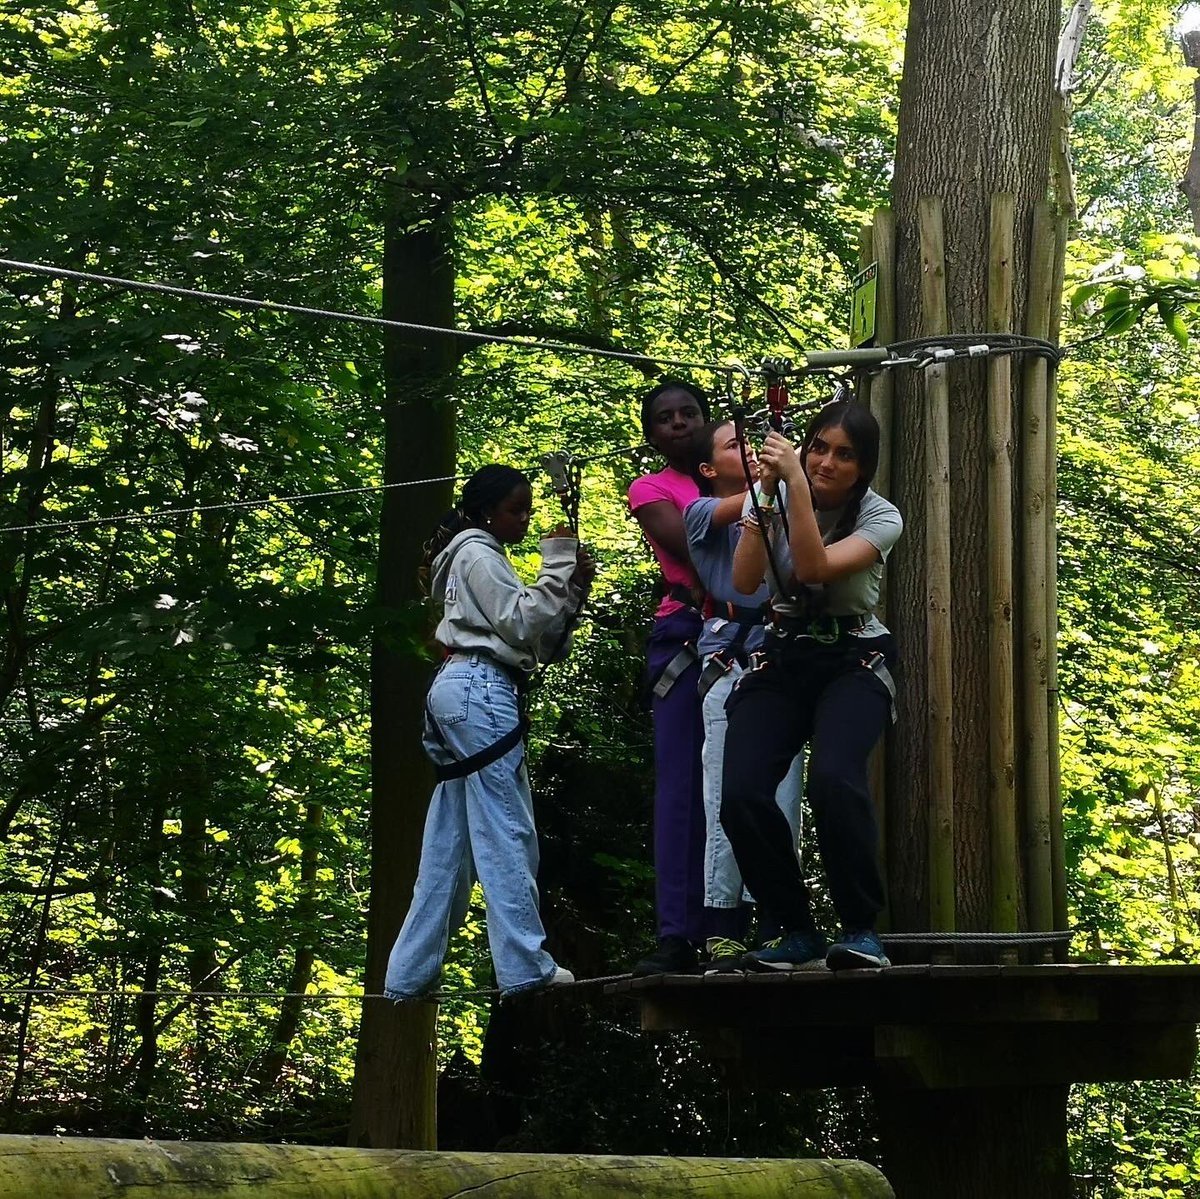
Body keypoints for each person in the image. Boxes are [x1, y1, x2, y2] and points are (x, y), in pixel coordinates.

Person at [385, 465, 596, 1000]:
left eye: (527, 508)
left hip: (462, 689)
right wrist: (557, 561)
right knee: (508, 829)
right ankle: (525, 964)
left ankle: (409, 974)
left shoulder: (475, 556)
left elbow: (536, 644)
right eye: (515, 509)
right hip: (480, 690)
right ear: (485, 511)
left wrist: (570, 594)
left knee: (450, 843)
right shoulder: (477, 551)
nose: (524, 519)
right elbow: (521, 622)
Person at [720, 400, 901, 972]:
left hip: (854, 661)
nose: (826, 462)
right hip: (784, 656)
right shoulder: (769, 497)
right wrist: (762, 501)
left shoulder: (881, 516)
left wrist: (792, 481)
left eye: (844, 455)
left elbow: (816, 567)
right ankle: (795, 928)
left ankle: (861, 929)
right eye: (818, 447)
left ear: (864, 468)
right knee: (743, 794)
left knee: (833, 779)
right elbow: (745, 583)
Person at [683, 421, 804, 969]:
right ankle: (721, 920)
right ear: (708, 470)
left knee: (783, 794)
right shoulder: (702, 512)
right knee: (723, 792)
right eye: (734, 446)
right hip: (729, 656)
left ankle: (780, 920)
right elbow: (746, 506)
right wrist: (778, 477)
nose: (749, 451)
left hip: (780, 653)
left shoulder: (777, 506)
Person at [626, 379, 709, 975]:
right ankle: (678, 934)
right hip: (685, 633)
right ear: (652, 434)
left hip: (754, 635)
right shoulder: (652, 489)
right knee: (682, 783)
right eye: (665, 418)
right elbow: (695, 548)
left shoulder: (737, 474)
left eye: (688, 413)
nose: (677, 423)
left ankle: (738, 926)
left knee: (748, 781)